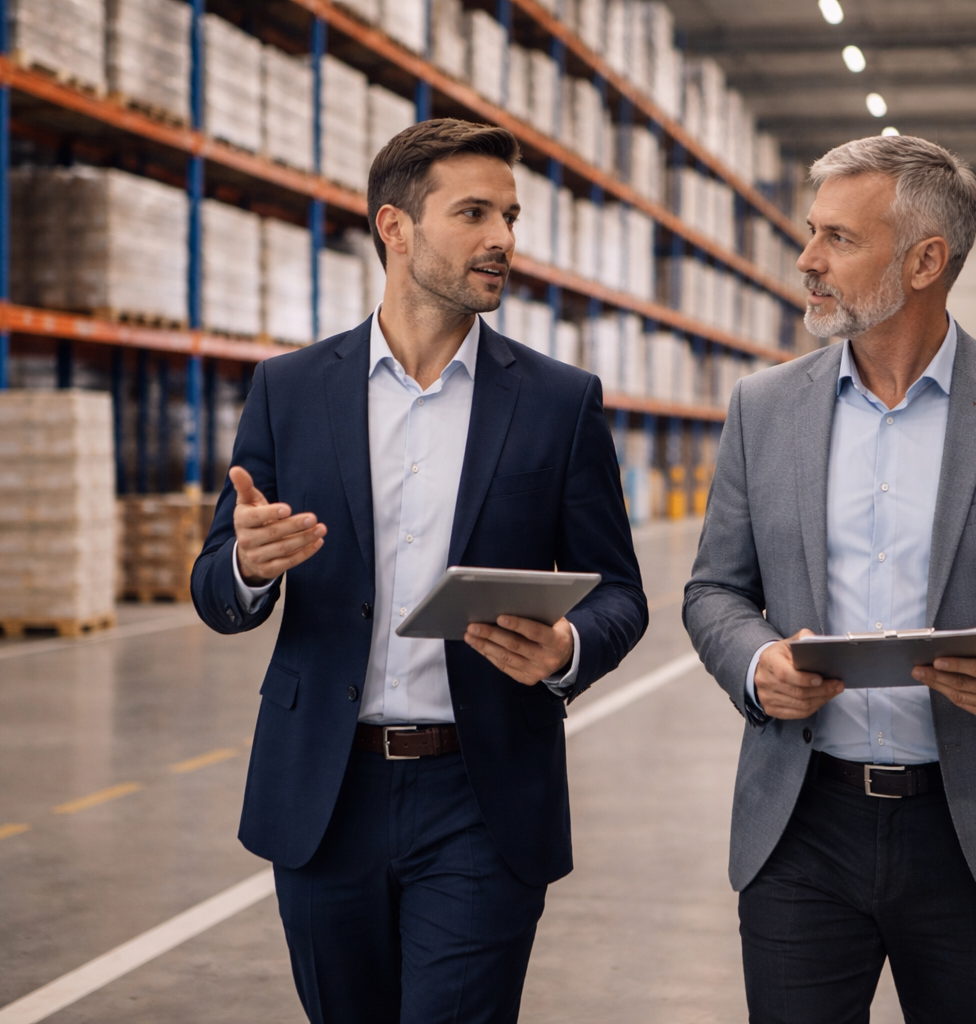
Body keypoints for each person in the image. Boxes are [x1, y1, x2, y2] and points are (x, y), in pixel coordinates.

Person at [683, 135, 976, 1023]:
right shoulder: (763, 408)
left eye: (838, 240)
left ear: (926, 260)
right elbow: (714, 591)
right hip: (801, 826)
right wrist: (756, 665)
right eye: (811, 232)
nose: (807, 261)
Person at [190, 118, 647, 1024]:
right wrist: (246, 564)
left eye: (510, 216)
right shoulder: (291, 388)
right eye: (474, 213)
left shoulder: (559, 404)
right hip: (326, 794)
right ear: (394, 228)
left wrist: (563, 648)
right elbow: (216, 588)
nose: (502, 240)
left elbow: (621, 594)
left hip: (482, 795)